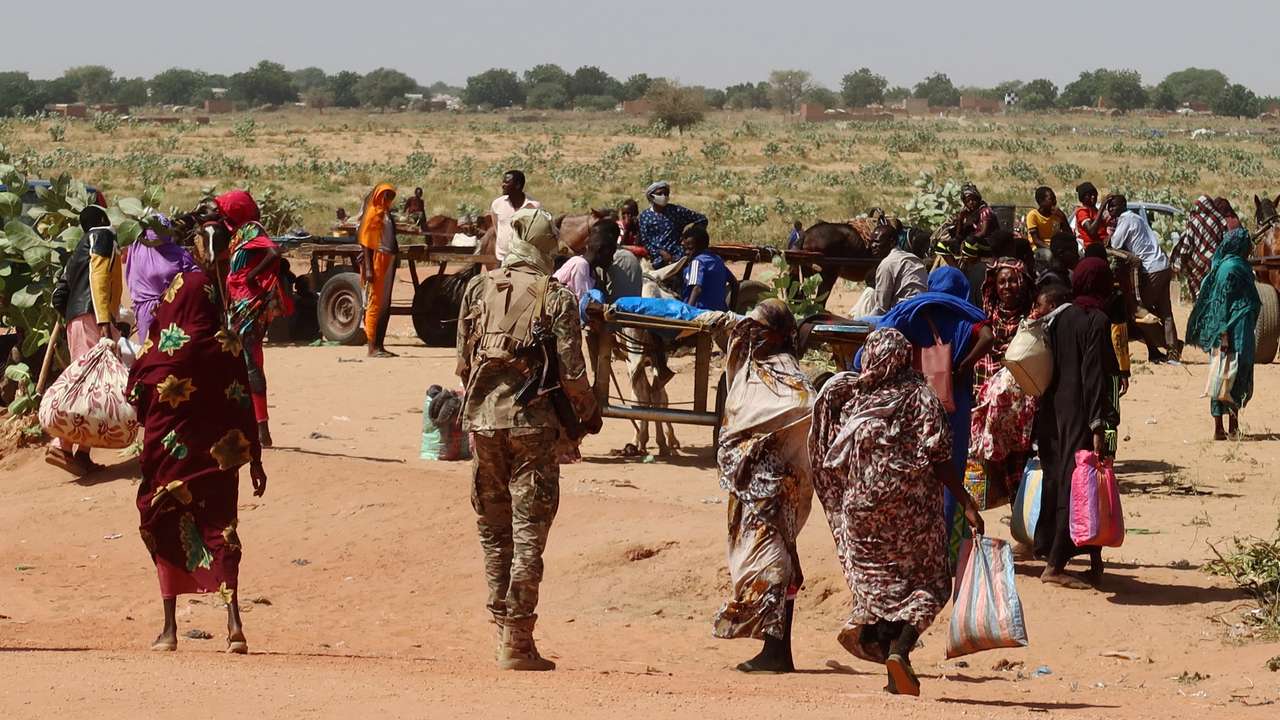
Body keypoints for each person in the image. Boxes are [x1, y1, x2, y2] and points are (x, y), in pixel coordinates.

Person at [456, 207, 603, 671]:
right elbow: (573, 373)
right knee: (527, 535)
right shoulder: (554, 296)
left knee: (492, 531)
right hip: (532, 430)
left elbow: (463, 362)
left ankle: (502, 630)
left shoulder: (478, 287)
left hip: (482, 424)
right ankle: (518, 641)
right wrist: (588, 412)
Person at [810, 328, 984, 696]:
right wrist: (966, 502)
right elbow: (940, 459)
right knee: (931, 584)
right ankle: (901, 651)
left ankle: (893, 670)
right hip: (912, 518)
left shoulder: (856, 401)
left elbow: (833, 454)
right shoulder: (922, 397)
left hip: (862, 516)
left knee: (878, 590)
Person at [127, 214, 267, 653]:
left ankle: (169, 630)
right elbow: (245, 402)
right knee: (221, 525)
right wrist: (257, 461)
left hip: (171, 453)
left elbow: (143, 377)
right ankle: (233, 623)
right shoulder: (226, 345)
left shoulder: (166, 350)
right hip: (217, 458)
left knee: (163, 516)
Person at [712, 300, 815, 673]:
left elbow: (803, 412)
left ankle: (776, 651)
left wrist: (762, 447)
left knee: (774, 565)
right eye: (750, 327)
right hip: (748, 486)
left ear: (780, 333)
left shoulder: (791, 379)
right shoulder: (748, 368)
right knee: (776, 563)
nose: (752, 333)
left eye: (761, 328)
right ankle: (777, 650)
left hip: (778, 489)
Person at [1033, 260, 1119, 590]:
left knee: (1062, 481)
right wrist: (1098, 424)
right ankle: (1055, 565)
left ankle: (1092, 560)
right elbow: (1093, 375)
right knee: (1079, 485)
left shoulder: (1058, 318)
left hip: (1052, 413)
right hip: (1080, 414)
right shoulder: (1096, 320)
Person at [47, 205, 123, 475]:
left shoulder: (80, 245)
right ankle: (63, 445)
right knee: (90, 385)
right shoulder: (102, 236)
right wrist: (104, 321)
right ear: (103, 220)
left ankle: (82, 452)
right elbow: (99, 277)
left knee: (91, 384)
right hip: (93, 317)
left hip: (77, 319)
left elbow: (61, 292)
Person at [217, 190, 292, 448]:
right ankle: (247, 424)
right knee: (237, 363)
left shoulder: (251, 229)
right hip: (239, 306)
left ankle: (262, 428)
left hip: (249, 306)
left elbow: (274, 251)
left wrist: (251, 277)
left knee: (250, 363)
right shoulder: (239, 232)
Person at [971, 258, 1037, 502]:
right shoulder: (986, 316)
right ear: (994, 286)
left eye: (1012, 280)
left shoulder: (1031, 316)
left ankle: (1020, 505)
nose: (1007, 286)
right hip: (991, 401)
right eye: (1002, 282)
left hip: (1023, 402)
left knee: (1020, 457)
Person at [1185, 228, 1261, 440]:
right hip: (1230, 330)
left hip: (1243, 329)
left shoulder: (1240, 266)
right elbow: (1221, 305)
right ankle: (1220, 427)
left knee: (1239, 373)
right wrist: (1223, 334)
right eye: (1247, 245)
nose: (1250, 249)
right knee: (1224, 375)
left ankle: (1234, 425)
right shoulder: (1230, 268)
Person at [1106, 194, 1180, 363]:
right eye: (1109, 206)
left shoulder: (1125, 220)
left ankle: (1164, 344)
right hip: (1163, 265)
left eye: (1113, 206)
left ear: (1122, 206)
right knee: (1165, 312)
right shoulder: (1136, 218)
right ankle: (1172, 351)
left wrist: (1109, 234)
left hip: (1151, 269)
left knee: (1139, 312)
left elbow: (1116, 244)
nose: (1111, 209)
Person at [125, 216, 199, 345]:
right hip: (150, 313)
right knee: (154, 353)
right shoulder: (137, 246)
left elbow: (195, 279)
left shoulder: (179, 254)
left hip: (172, 310)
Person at [357, 183, 399, 358]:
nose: (387, 199)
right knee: (374, 303)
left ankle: (379, 345)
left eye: (390, 196)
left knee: (383, 303)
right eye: (385, 195)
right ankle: (372, 347)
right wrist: (368, 268)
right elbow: (366, 243)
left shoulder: (386, 213)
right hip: (377, 261)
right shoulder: (373, 213)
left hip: (387, 259)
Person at [1172, 195, 1231, 303]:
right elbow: (1226, 240)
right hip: (1216, 262)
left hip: (1198, 263)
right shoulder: (1218, 220)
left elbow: (1186, 245)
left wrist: (1182, 261)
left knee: (1198, 292)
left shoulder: (1194, 221)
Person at [637, 180, 707, 268]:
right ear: (651, 196)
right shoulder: (644, 216)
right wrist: (661, 252)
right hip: (656, 258)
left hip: (679, 256)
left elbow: (701, 219)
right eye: (660, 194)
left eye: (666, 193)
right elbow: (645, 240)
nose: (664, 196)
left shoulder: (676, 211)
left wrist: (691, 236)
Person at [867, 224, 928, 315]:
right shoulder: (913, 258)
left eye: (877, 242)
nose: (872, 246)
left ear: (892, 242)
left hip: (903, 315)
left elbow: (881, 308)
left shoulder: (887, 263)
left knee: (860, 321)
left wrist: (863, 323)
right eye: (871, 242)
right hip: (922, 312)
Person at [554, 221, 619, 301]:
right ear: (600, 250)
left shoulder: (592, 272)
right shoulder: (580, 265)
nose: (611, 259)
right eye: (610, 254)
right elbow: (584, 305)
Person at [489, 170, 541, 265]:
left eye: (507, 182)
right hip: (502, 259)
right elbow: (497, 228)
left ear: (517, 185)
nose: (503, 185)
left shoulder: (533, 206)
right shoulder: (497, 204)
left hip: (525, 260)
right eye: (503, 182)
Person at [680, 225, 736, 312]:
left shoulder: (697, 262)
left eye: (690, 248)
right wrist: (732, 308)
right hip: (720, 312)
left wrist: (688, 312)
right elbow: (735, 283)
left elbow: (696, 288)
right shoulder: (717, 260)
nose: (687, 252)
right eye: (685, 249)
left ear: (700, 246)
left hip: (700, 312)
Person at [953, 183, 1000, 251]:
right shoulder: (970, 213)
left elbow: (983, 232)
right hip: (975, 241)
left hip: (988, 242)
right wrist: (960, 219)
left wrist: (967, 240)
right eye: (968, 201)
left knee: (969, 241)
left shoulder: (985, 211)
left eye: (973, 199)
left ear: (977, 199)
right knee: (945, 244)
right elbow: (959, 234)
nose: (971, 202)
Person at [1072, 182, 1109, 248]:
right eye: (1089, 195)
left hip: (1102, 245)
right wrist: (1102, 207)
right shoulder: (1082, 212)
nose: (1093, 197)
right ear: (1083, 198)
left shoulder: (1095, 210)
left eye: (1094, 194)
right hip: (1092, 248)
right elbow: (1091, 231)